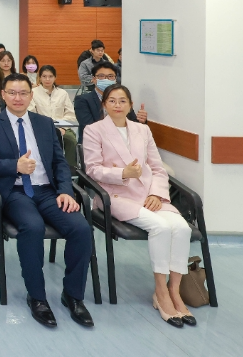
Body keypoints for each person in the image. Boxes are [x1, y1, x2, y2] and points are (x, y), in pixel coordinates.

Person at [0, 73, 95, 329]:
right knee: (32, 227)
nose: (17, 98)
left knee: (81, 229)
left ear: (31, 95)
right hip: (14, 192)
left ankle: (73, 295)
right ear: (3, 95)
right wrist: (15, 166)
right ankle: (37, 297)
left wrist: (65, 191)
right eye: (12, 93)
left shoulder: (44, 123)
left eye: (23, 93)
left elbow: (60, 162)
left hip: (48, 191)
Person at [82, 84, 195, 328]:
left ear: (130, 105)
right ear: (104, 104)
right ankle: (160, 293)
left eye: (123, 101)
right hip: (116, 195)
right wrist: (123, 173)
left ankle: (174, 291)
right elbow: (92, 170)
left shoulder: (142, 130)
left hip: (148, 195)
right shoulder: (94, 130)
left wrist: (156, 193)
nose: (117, 105)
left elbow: (157, 167)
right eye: (112, 101)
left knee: (182, 228)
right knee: (160, 228)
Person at [74, 61, 147, 143]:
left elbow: (132, 123)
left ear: (115, 80)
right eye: (101, 76)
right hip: (95, 142)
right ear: (94, 79)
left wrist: (141, 121)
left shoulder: (122, 99)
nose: (106, 79)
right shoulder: (83, 100)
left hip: (122, 142)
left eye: (110, 76)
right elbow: (89, 126)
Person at [29, 65, 78, 167]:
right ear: (40, 78)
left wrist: (62, 128)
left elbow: (70, 114)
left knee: (71, 140)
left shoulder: (62, 93)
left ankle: (70, 169)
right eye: (44, 76)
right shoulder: (33, 93)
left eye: (50, 76)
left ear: (55, 77)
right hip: (41, 129)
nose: (47, 79)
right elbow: (32, 114)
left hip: (62, 128)